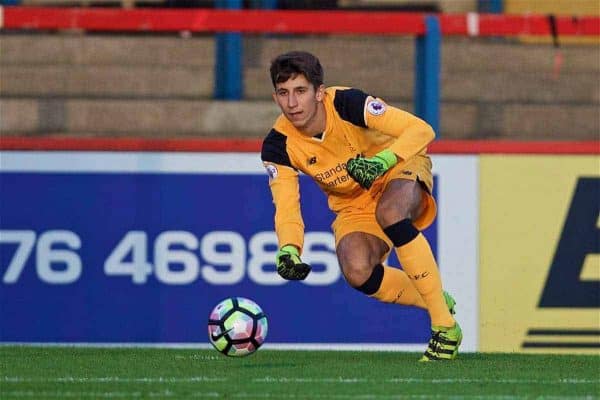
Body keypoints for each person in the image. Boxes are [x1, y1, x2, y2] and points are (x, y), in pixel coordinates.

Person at [260, 50, 462, 361]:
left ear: (319, 92)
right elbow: (286, 204)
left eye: (300, 91)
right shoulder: (277, 145)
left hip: (398, 168)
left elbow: (422, 130)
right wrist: (289, 247)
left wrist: (381, 162)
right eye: (284, 93)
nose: (292, 103)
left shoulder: (347, 103)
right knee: (356, 269)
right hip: (354, 202)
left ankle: (444, 328)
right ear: (275, 97)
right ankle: (433, 297)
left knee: (391, 212)